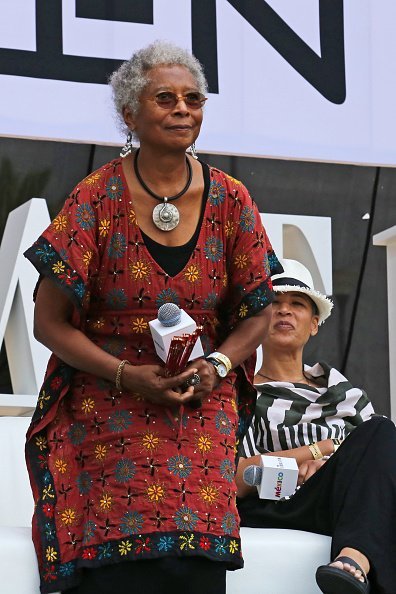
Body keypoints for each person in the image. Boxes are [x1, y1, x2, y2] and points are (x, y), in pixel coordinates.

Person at [24, 41, 282, 594]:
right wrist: (125, 375)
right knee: (116, 556)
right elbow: (49, 324)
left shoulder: (232, 199)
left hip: (200, 392)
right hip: (106, 390)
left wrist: (216, 364)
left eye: (194, 98)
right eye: (164, 98)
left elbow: (259, 311)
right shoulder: (94, 198)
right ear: (129, 114)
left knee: (195, 545)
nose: (183, 109)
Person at [236, 259, 396, 594]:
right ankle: (354, 561)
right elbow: (231, 479)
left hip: (338, 502)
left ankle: (352, 561)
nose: (284, 312)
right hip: (278, 505)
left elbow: (377, 470)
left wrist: (330, 468)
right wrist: (313, 453)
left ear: (314, 324)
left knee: (380, 430)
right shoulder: (242, 392)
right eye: (274, 304)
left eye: (296, 304)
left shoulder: (347, 395)